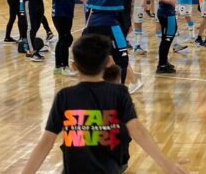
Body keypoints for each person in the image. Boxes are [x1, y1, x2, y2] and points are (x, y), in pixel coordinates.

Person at [22, 35, 186, 174]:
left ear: (73, 66)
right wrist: (167, 165)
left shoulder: (64, 97)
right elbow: (138, 131)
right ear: (108, 62)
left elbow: (46, 142)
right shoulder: (120, 92)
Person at [79, 0, 176, 86]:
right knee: (122, 60)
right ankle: (122, 89)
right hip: (111, 24)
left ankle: (99, 86)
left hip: (93, 24)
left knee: (100, 58)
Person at [155, 0, 192, 73]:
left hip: (163, 12)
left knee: (166, 39)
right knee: (167, 40)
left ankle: (164, 62)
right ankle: (161, 65)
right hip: (168, 14)